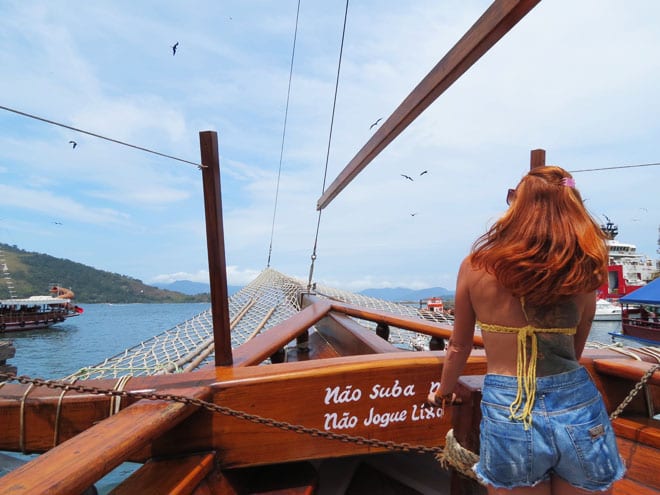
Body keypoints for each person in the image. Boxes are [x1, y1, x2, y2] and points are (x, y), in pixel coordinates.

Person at [428, 166, 625, 494]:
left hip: (511, 410)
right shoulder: (586, 265)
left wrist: (443, 392)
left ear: (516, 207)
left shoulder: (476, 265)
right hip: (576, 403)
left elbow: (458, 347)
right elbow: (575, 349)